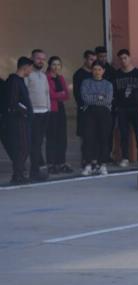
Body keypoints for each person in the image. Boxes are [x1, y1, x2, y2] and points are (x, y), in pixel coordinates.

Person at [113, 49, 138, 168]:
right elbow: (114, 92)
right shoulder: (117, 74)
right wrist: (117, 106)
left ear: (130, 58)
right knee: (124, 135)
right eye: (121, 58)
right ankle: (125, 158)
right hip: (122, 109)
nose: (123, 60)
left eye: (125, 58)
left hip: (136, 109)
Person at [80, 62, 114, 176]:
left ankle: (102, 164)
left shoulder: (108, 84)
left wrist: (94, 97)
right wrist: (100, 97)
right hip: (89, 113)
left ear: (103, 71)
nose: (97, 72)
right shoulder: (86, 82)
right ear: (91, 70)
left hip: (104, 114)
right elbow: (85, 99)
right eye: (94, 69)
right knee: (89, 139)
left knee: (103, 139)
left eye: (99, 69)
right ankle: (88, 165)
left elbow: (108, 100)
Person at [5, 57, 34, 185]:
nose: (31, 71)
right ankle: (18, 174)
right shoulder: (14, 81)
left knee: (24, 147)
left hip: (23, 120)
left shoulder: (20, 81)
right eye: (30, 68)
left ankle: (19, 173)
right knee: (23, 147)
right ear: (25, 67)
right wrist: (25, 112)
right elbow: (13, 102)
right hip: (18, 121)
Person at [26, 49, 50, 180]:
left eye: (43, 59)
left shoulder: (44, 75)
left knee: (39, 142)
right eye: (38, 58)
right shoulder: (28, 75)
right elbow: (24, 95)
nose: (41, 61)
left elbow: (46, 94)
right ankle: (34, 171)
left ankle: (38, 169)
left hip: (44, 113)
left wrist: (48, 109)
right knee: (34, 143)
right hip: (33, 113)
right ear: (32, 58)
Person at [46, 56, 71, 174]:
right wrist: (59, 94)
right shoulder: (46, 77)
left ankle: (61, 162)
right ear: (49, 65)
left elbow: (67, 95)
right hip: (51, 110)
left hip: (60, 109)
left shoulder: (60, 78)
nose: (56, 67)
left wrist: (59, 94)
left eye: (58, 65)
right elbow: (51, 95)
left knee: (62, 137)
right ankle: (51, 163)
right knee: (52, 137)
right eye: (54, 64)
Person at [73, 50, 97, 167]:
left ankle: (93, 159)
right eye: (91, 59)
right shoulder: (79, 74)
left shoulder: (95, 73)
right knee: (85, 136)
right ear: (85, 59)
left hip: (95, 110)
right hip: (84, 110)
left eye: (94, 60)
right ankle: (85, 159)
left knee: (95, 136)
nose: (93, 62)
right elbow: (77, 94)